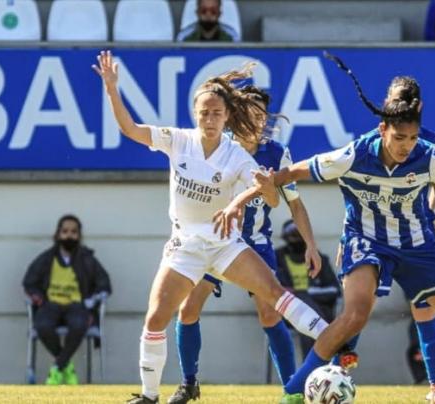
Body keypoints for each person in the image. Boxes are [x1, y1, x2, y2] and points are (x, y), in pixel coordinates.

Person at [215, 55, 435, 404]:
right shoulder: (355, 154)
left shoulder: (429, 156)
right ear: (382, 130)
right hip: (367, 241)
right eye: (399, 138)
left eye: (412, 137)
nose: (406, 146)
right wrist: (240, 201)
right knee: (354, 315)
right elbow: (293, 173)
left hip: (418, 244)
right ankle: (294, 391)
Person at [92, 50, 331, 404]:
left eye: (217, 113)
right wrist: (112, 88)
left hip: (226, 245)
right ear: (195, 113)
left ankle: (333, 344)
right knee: (158, 315)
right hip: (185, 245)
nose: (210, 118)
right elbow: (130, 129)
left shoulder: (237, 155)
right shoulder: (178, 139)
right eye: (204, 112)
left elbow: (275, 199)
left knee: (276, 299)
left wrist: (266, 185)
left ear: (226, 117)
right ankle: (149, 395)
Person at [167, 86, 323, 404]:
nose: (257, 121)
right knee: (187, 309)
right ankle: (188, 383)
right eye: (251, 114)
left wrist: (310, 243)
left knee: (270, 314)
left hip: (255, 244)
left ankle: (291, 390)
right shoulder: (218, 146)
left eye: (262, 116)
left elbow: (291, 203)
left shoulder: (276, 152)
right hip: (213, 241)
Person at [331, 75, 435, 403]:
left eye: (398, 100)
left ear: (416, 106)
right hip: (372, 237)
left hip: (415, 236)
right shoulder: (371, 143)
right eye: (389, 100)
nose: (391, 106)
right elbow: (356, 193)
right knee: (360, 307)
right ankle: (337, 371)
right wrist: (346, 239)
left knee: (424, 307)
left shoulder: (429, 143)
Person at [22, 214, 112, 385]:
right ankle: (65, 366)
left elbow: (105, 284)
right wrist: (39, 299)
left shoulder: (87, 259)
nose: (69, 235)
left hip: (77, 306)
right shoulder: (47, 258)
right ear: (57, 234)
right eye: (65, 231)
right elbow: (29, 282)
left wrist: (92, 301)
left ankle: (57, 368)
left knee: (80, 324)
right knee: (42, 325)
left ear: (79, 235)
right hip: (50, 305)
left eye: (73, 232)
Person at [276, 219, 341, 359]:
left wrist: (303, 293)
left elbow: (335, 290)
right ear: (284, 237)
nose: (296, 237)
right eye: (292, 234)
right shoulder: (277, 258)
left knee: (306, 309)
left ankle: (312, 367)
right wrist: (299, 295)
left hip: (319, 309)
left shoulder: (317, 258)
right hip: (287, 314)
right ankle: (320, 362)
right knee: (303, 308)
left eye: (299, 233)